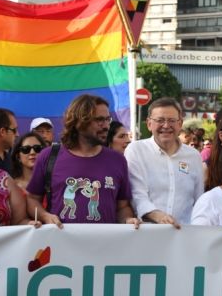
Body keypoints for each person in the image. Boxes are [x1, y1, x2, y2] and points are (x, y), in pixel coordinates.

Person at [26, 95, 140, 227]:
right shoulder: (49, 156)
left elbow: (122, 207)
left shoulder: (118, 160)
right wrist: (45, 216)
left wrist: (127, 219)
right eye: (99, 120)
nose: (106, 126)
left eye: (108, 119)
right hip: (61, 243)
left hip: (106, 244)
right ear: (79, 122)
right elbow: (33, 199)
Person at [126, 98, 203, 227]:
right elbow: (137, 194)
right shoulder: (136, 150)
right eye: (160, 120)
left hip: (184, 234)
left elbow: (199, 199)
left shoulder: (193, 155)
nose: (166, 126)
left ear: (180, 124)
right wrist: (158, 216)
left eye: (172, 120)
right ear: (149, 124)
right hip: (148, 232)